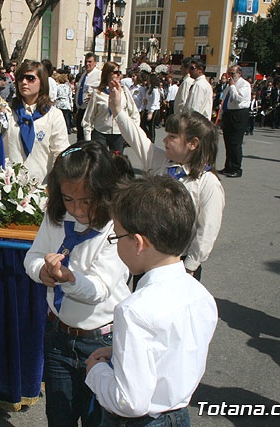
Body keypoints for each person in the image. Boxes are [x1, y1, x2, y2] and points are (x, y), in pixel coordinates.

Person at [85, 175, 218, 426]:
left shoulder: (133, 311)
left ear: (137, 243)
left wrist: (96, 372)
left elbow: (130, 402)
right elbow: (173, 354)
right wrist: (118, 355)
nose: (115, 245)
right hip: (178, 415)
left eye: (116, 238)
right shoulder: (202, 296)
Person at [24, 141, 134, 427]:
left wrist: (68, 279)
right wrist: (41, 272)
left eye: (86, 200)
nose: (77, 209)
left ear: (104, 191)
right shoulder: (58, 217)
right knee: (59, 417)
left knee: (100, 419)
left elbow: (99, 289)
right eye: (68, 199)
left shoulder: (116, 227)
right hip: (59, 337)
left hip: (102, 340)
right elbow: (33, 256)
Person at [108, 77, 224, 281]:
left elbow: (207, 231)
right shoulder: (161, 160)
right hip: (147, 255)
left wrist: (190, 267)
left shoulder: (208, 183)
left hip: (179, 263)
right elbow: (137, 138)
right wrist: (118, 110)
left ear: (193, 144)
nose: (165, 140)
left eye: (172, 137)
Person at [3, 60, 70, 182]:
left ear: (42, 82)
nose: (24, 82)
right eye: (20, 78)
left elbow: (60, 154)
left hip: (41, 188)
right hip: (9, 186)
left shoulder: (53, 115)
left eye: (30, 78)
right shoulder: (7, 112)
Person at [82, 61, 139, 153]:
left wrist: (131, 133)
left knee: (116, 163)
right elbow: (88, 118)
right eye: (116, 72)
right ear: (107, 74)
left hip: (119, 133)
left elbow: (134, 113)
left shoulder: (124, 91)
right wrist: (88, 139)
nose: (118, 75)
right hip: (100, 132)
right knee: (101, 162)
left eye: (119, 73)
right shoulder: (97, 93)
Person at [219, 65, 251, 178]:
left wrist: (232, 86)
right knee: (228, 141)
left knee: (236, 142)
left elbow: (238, 99)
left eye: (233, 73)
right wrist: (221, 117)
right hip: (229, 113)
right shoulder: (228, 86)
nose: (231, 76)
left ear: (239, 73)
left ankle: (236, 168)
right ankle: (228, 166)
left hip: (239, 113)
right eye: (229, 74)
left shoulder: (244, 85)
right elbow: (224, 102)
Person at [75, 53, 101, 140]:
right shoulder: (84, 75)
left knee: (88, 135)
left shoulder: (99, 75)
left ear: (95, 63)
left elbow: (104, 90)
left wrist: (95, 95)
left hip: (90, 109)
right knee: (80, 136)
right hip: (81, 109)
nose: (87, 64)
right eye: (86, 61)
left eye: (90, 62)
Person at [140, 74, 160, 143]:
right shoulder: (149, 88)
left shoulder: (155, 90)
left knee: (151, 126)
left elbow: (155, 102)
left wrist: (151, 113)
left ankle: (152, 140)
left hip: (154, 110)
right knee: (143, 124)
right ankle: (148, 137)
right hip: (148, 108)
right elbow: (146, 100)